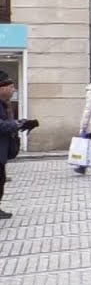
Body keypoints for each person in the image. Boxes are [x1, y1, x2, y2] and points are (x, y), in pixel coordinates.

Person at [0, 72, 37, 219]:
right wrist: (16, 124)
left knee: (1, 179)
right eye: (11, 87)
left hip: (2, 150)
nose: (14, 90)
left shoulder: (5, 104)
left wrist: (23, 123)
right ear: (2, 88)